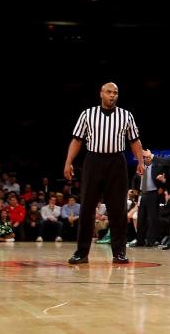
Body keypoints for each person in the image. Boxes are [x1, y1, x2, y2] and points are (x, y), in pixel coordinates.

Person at [63, 81, 145, 265]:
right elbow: (77, 140)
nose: (112, 95)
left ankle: (119, 252)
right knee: (87, 209)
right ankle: (81, 253)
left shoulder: (126, 115)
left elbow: (135, 141)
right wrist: (68, 162)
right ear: (101, 93)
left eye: (115, 93)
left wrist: (140, 161)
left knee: (118, 209)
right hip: (93, 160)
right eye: (109, 92)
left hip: (117, 162)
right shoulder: (87, 114)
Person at [133, 149, 170, 247]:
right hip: (142, 194)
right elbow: (135, 179)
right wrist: (135, 189)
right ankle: (139, 240)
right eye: (145, 158)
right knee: (141, 218)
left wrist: (162, 187)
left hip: (153, 194)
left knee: (152, 219)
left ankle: (151, 241)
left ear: (151, 158)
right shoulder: (140, 167)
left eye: (148, 157)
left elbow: (164, 178)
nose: (146, 159)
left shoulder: (157, 167)